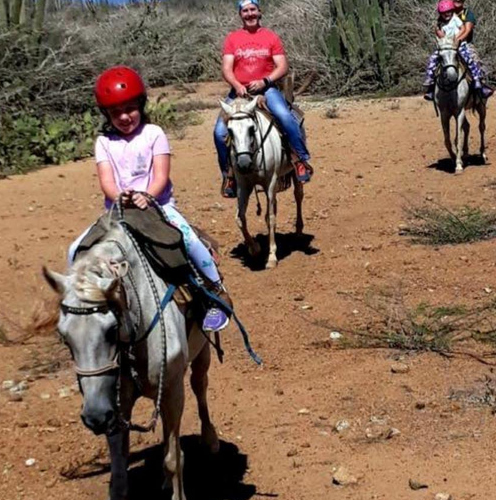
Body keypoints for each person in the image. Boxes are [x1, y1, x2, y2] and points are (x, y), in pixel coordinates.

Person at [68, 66, 229, 332]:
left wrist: (147, 196)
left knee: (188, 240)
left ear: (141, 105)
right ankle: (79, 306)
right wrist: (120, 196)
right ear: (106, 114)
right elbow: (106, 181)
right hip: (118, 213)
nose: (124, 117)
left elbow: (161, 176)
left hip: (159, 207)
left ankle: (214, 292)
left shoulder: (154, 133)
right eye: (115, 112)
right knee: (75, 249)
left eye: (129, 108)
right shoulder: (104, 142)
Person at [213, 0, 313, 199]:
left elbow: (282, 66)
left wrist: (264, 81)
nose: (249, 14)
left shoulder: (270, 37)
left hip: (266, 89)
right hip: (239, 91)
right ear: (240, 14)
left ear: (259, 12)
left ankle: (300, 160)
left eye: (252, 10)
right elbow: (226, 68)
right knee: (219, 132)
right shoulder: (233, 38)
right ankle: (229, 175)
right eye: (245, 11)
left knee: (285, 117)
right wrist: (237, 85)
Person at [423, 0, 494, 101]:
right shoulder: (443, 14)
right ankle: (431, 86)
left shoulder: (466, 14)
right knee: (435, 59)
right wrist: (440, 35)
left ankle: (479, 83)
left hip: (462, 43)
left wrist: (457, 41)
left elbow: (467, 30)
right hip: (446, 45)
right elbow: (438, 28)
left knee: (472, 58)